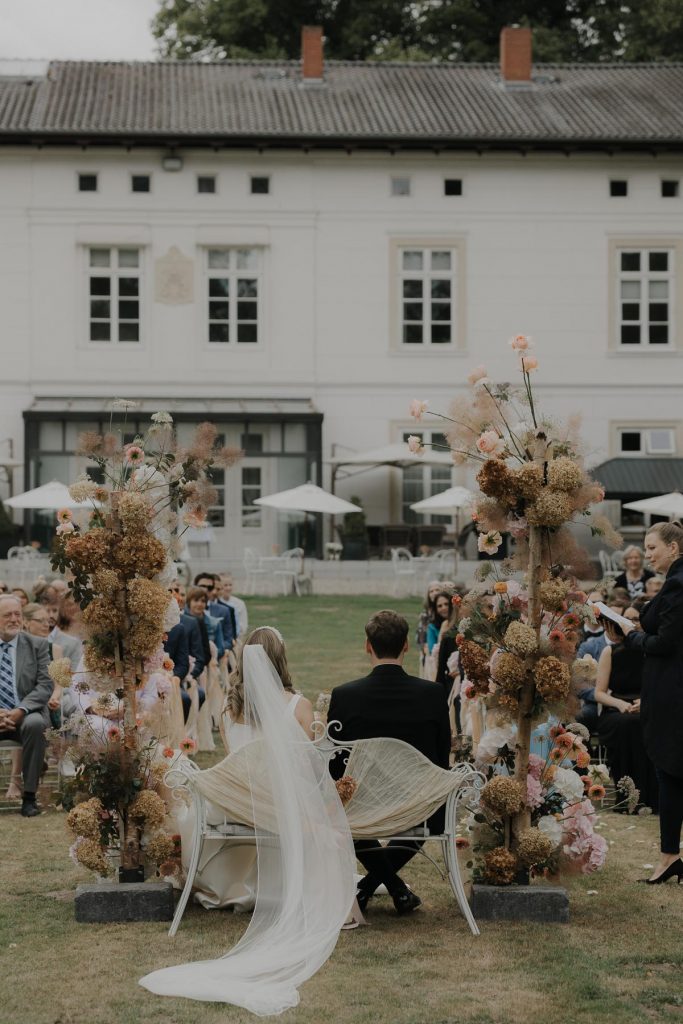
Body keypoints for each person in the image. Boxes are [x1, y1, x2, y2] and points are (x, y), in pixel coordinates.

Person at [139, 638, 355, 1014]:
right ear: (281, 659)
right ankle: (340, 900)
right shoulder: (298, 706)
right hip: (281, 810)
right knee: (325, 816)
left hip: (235, 805)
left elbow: (236, 765)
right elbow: (308, 765)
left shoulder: (228, 709)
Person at [327, 609, 450, 915]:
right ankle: (393, 888)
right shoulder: (433, 694)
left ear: (367, 646)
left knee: (336, 809)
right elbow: (441, 757)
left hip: (361, 802)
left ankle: (368, 887)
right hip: (419, 803)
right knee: (433, 812)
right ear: (407, 645)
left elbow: (335, 764)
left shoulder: (345, 696)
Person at [620, 521, 683, 884]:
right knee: (671, 772)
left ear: (673, 548)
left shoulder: (678, 583)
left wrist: (631, 637)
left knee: (670, 770)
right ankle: (669, 855)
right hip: (668, 689)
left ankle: (670, 854)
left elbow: (664, 643)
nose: (647, 554)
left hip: (673, 692)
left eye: (652, 547)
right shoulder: (671, 584)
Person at [595, 605, 658, 812]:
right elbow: (599, 692)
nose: (633, 623)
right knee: (626, 725)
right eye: (628, 619)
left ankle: (651, 798)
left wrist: (646, 702)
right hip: (617, 708)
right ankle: (626, 798)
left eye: (637, 619)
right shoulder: (609, 651)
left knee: (645, 724)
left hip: (648, 706)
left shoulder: (653, 650)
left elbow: (660, 686)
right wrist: (621, 704)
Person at [0, 594, 52, 817]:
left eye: (17, 614)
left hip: (25, 713)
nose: (14, 619)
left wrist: (21, 710)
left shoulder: (37, 645)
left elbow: (44, 685)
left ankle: (29, 797)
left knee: (35, 723)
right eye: (7, 615)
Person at [164, 583, 205, 722]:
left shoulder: (179, 628)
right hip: (146, 680)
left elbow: (184, 663)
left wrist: (176, 677)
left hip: (172, 678)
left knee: (186, 698)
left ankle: (181, 737)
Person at [194, 572, 236, 653]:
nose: (206, 590)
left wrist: (216, 650)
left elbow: (229, 640)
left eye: (210, 587)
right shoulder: (185, 609)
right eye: (202, 586)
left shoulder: (224, 610)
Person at [219, 572, 248, 637]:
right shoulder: (215, 603)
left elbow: (244, 626)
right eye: (225, 585)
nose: (228, 588)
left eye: (230, 585)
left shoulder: (240, 603)